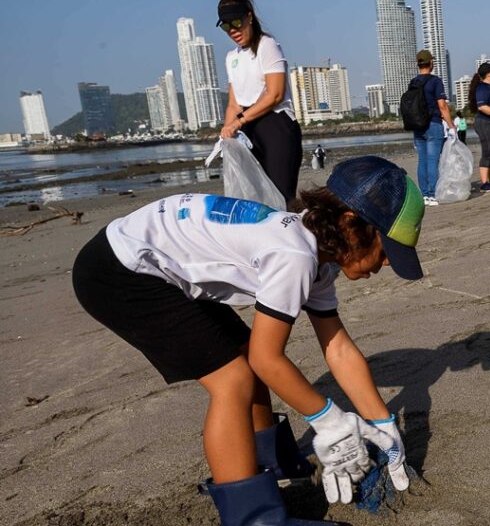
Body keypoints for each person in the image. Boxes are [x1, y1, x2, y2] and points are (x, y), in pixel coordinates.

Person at [71, 156, 422, 525]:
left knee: (241, 355)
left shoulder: (316, 254)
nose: (385, 265)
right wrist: (330, 421)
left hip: (154, 265)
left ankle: (272, 463)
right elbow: (267, 359)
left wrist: (383, 423)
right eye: (385, 252)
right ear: (351, 225)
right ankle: (252, 517)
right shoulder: (294, 256)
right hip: (118, 273)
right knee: (234, 378)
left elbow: (338, 347)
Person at [218, 0, 302, 203]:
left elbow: (275, 94)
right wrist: (225, 137)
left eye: (236, 22)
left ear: (249, 17)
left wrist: (239, 121)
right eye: (226, 26)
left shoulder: (267, 45)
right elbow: (234, 104)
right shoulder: (231, 58)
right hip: (247, 130)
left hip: (275, 125)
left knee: (282, 198)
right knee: (257, 201)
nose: (233, 30)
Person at [409, 50, 456, 207]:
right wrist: (451, 126)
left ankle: (424, 195)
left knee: (422, 160)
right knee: (432, 160)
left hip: (417, 126)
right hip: (433, 124)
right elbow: (442, 105)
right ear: (430, 63)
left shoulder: (413, 82)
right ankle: (433, 193)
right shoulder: (435, 81)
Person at [468, 63, 490, 192]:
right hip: (485, 122)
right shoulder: (482, 88)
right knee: (488, 151)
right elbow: (482, 106)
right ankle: (484, 183)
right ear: (489, 73)